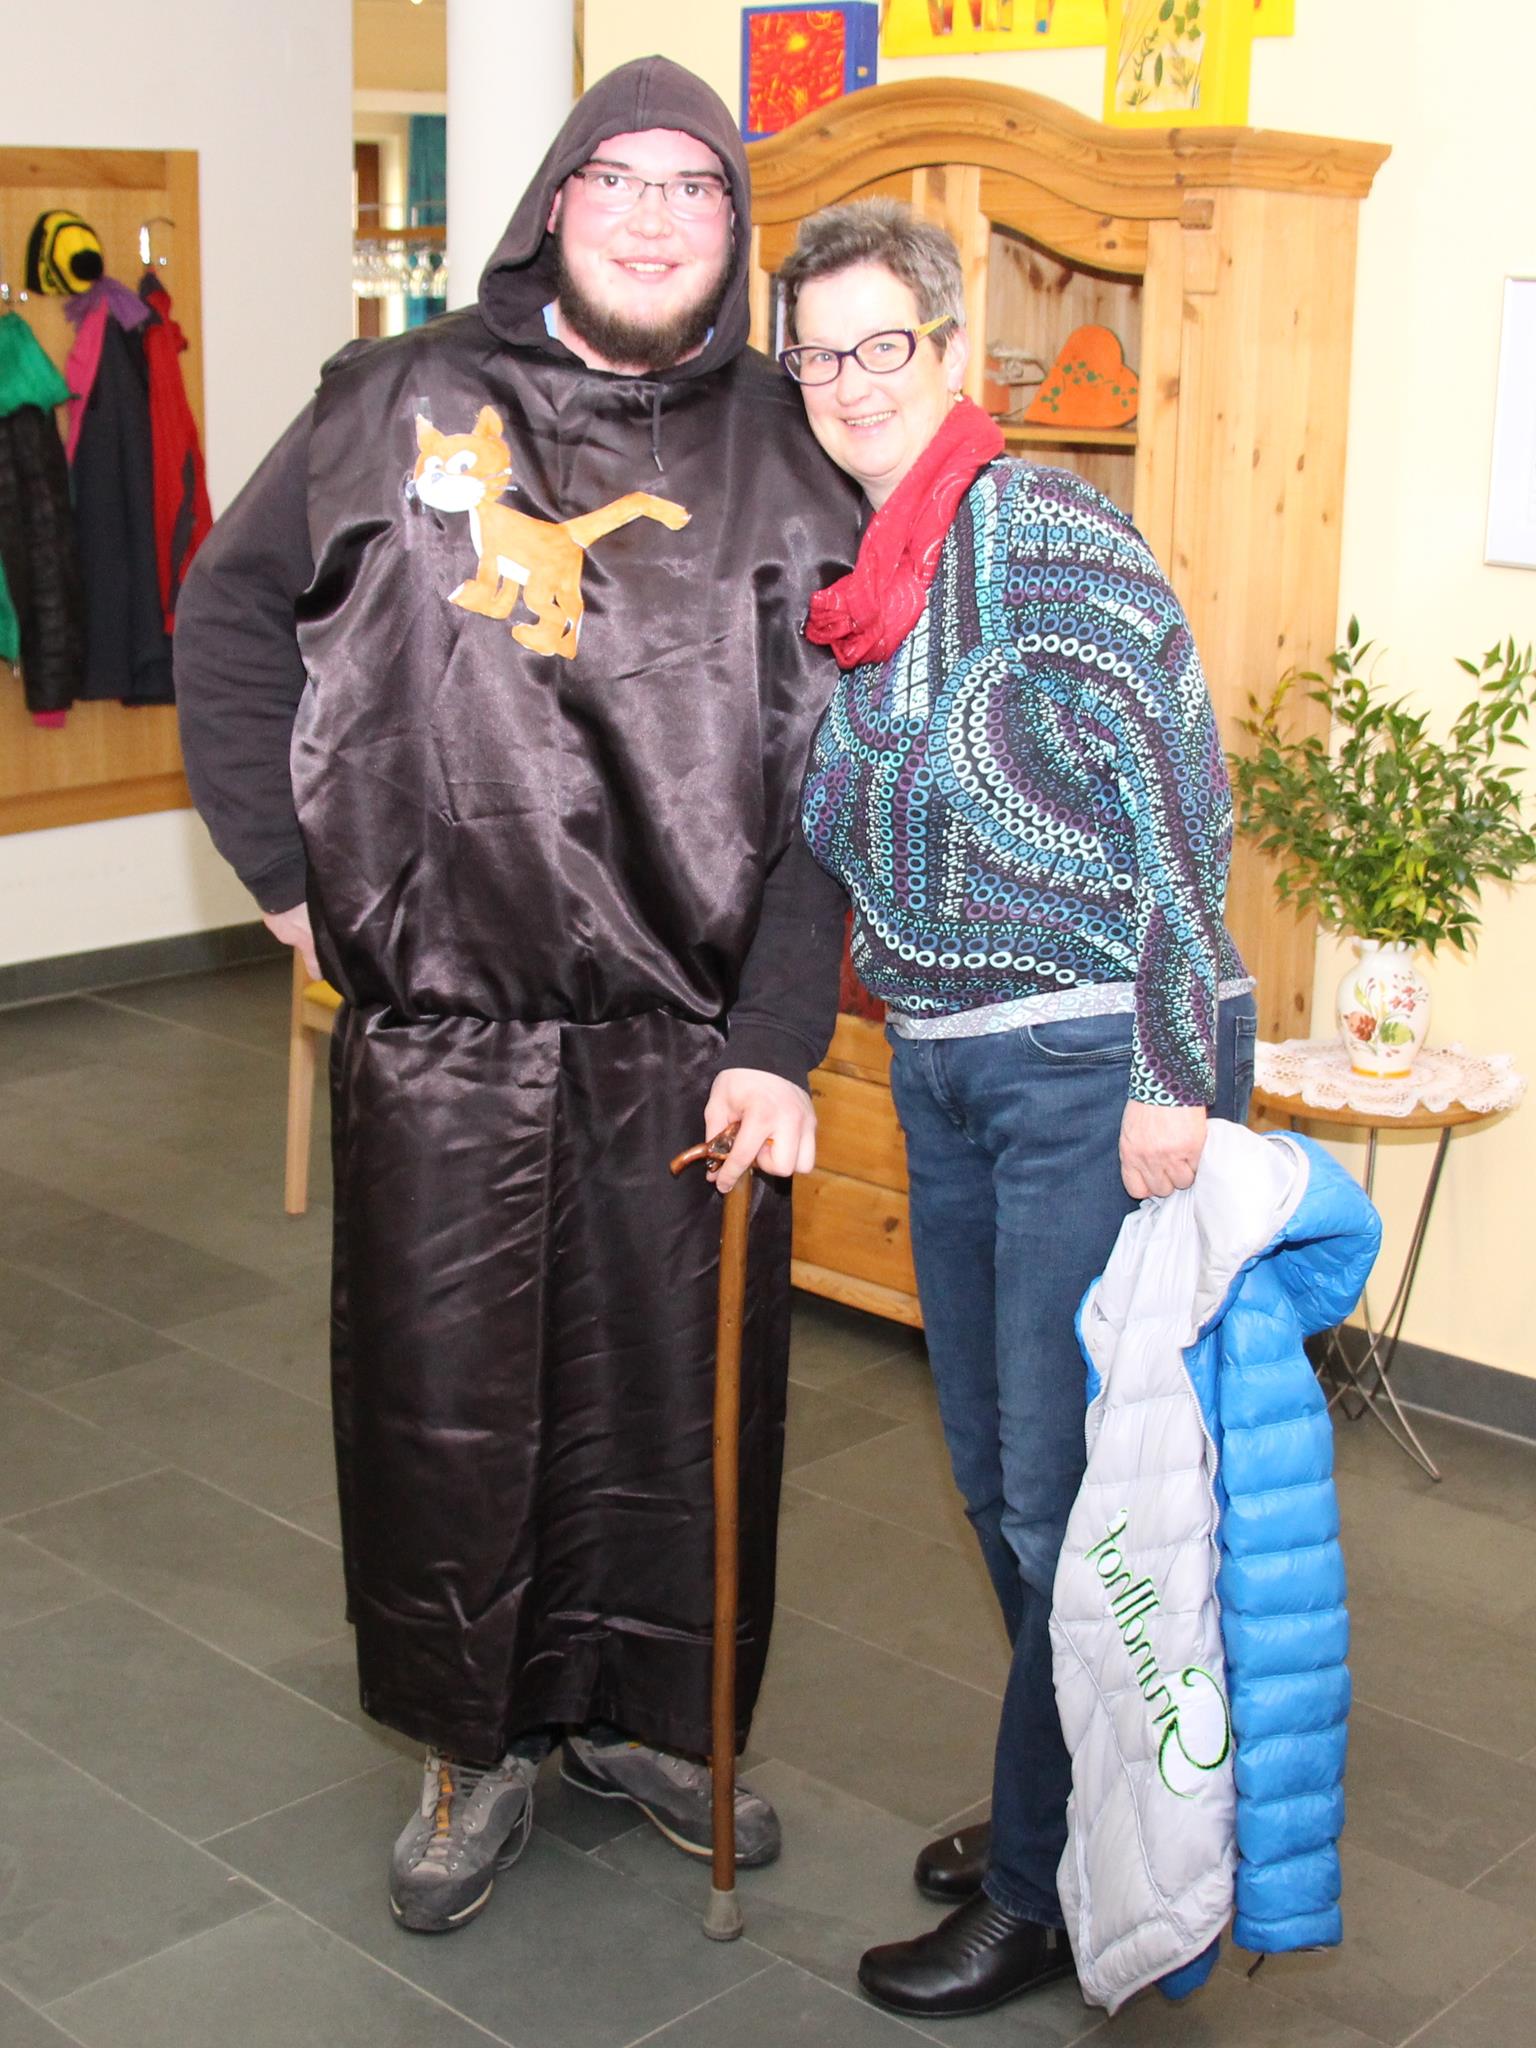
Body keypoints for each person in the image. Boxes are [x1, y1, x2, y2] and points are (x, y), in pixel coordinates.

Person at [174, 58, 857, 1936]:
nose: (652, 216)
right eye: (617, 178)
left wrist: (775, 1035)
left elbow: (847, 769)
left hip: (685, 1046)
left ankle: (646, 1717)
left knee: (673, 1423)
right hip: (448, 1032)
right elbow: (227, 616)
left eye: (694, 188)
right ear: (555, 201)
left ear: (734, 228)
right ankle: (470, 1743)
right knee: (447, 1412)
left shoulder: (791, 452)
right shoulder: (394, 405)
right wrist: (286, 877)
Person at [778, 199, 1258, 2020]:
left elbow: (1180, 796)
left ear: (951, 350)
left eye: (879, 346)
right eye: (815, 356)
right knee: (998, 1482)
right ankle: (1061, 1794)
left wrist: (1169, 1072)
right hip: (951, 1066)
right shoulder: (879, 571)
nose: (847, 383)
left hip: (1083, 1068)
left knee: (1063, 1499)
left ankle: (1046, 1887)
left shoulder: (1043, 531)